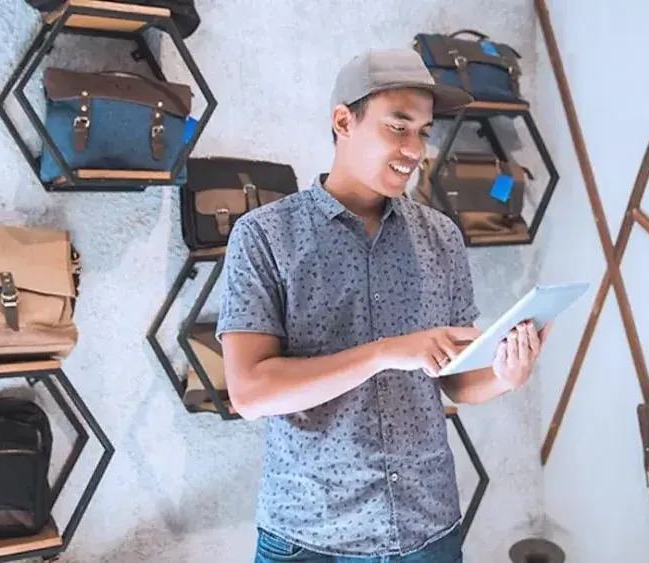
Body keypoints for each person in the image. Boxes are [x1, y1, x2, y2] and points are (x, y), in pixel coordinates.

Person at [216, 48, 552, 563]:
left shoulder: (442, 236)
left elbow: (455, 380)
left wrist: (507, 374)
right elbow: (251, 393)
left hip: (428, 529)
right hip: (309, 539)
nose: (415, 148)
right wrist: (384, 352)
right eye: (399, 127)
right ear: (343, 121)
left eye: (424, 131)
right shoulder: (264, 236)